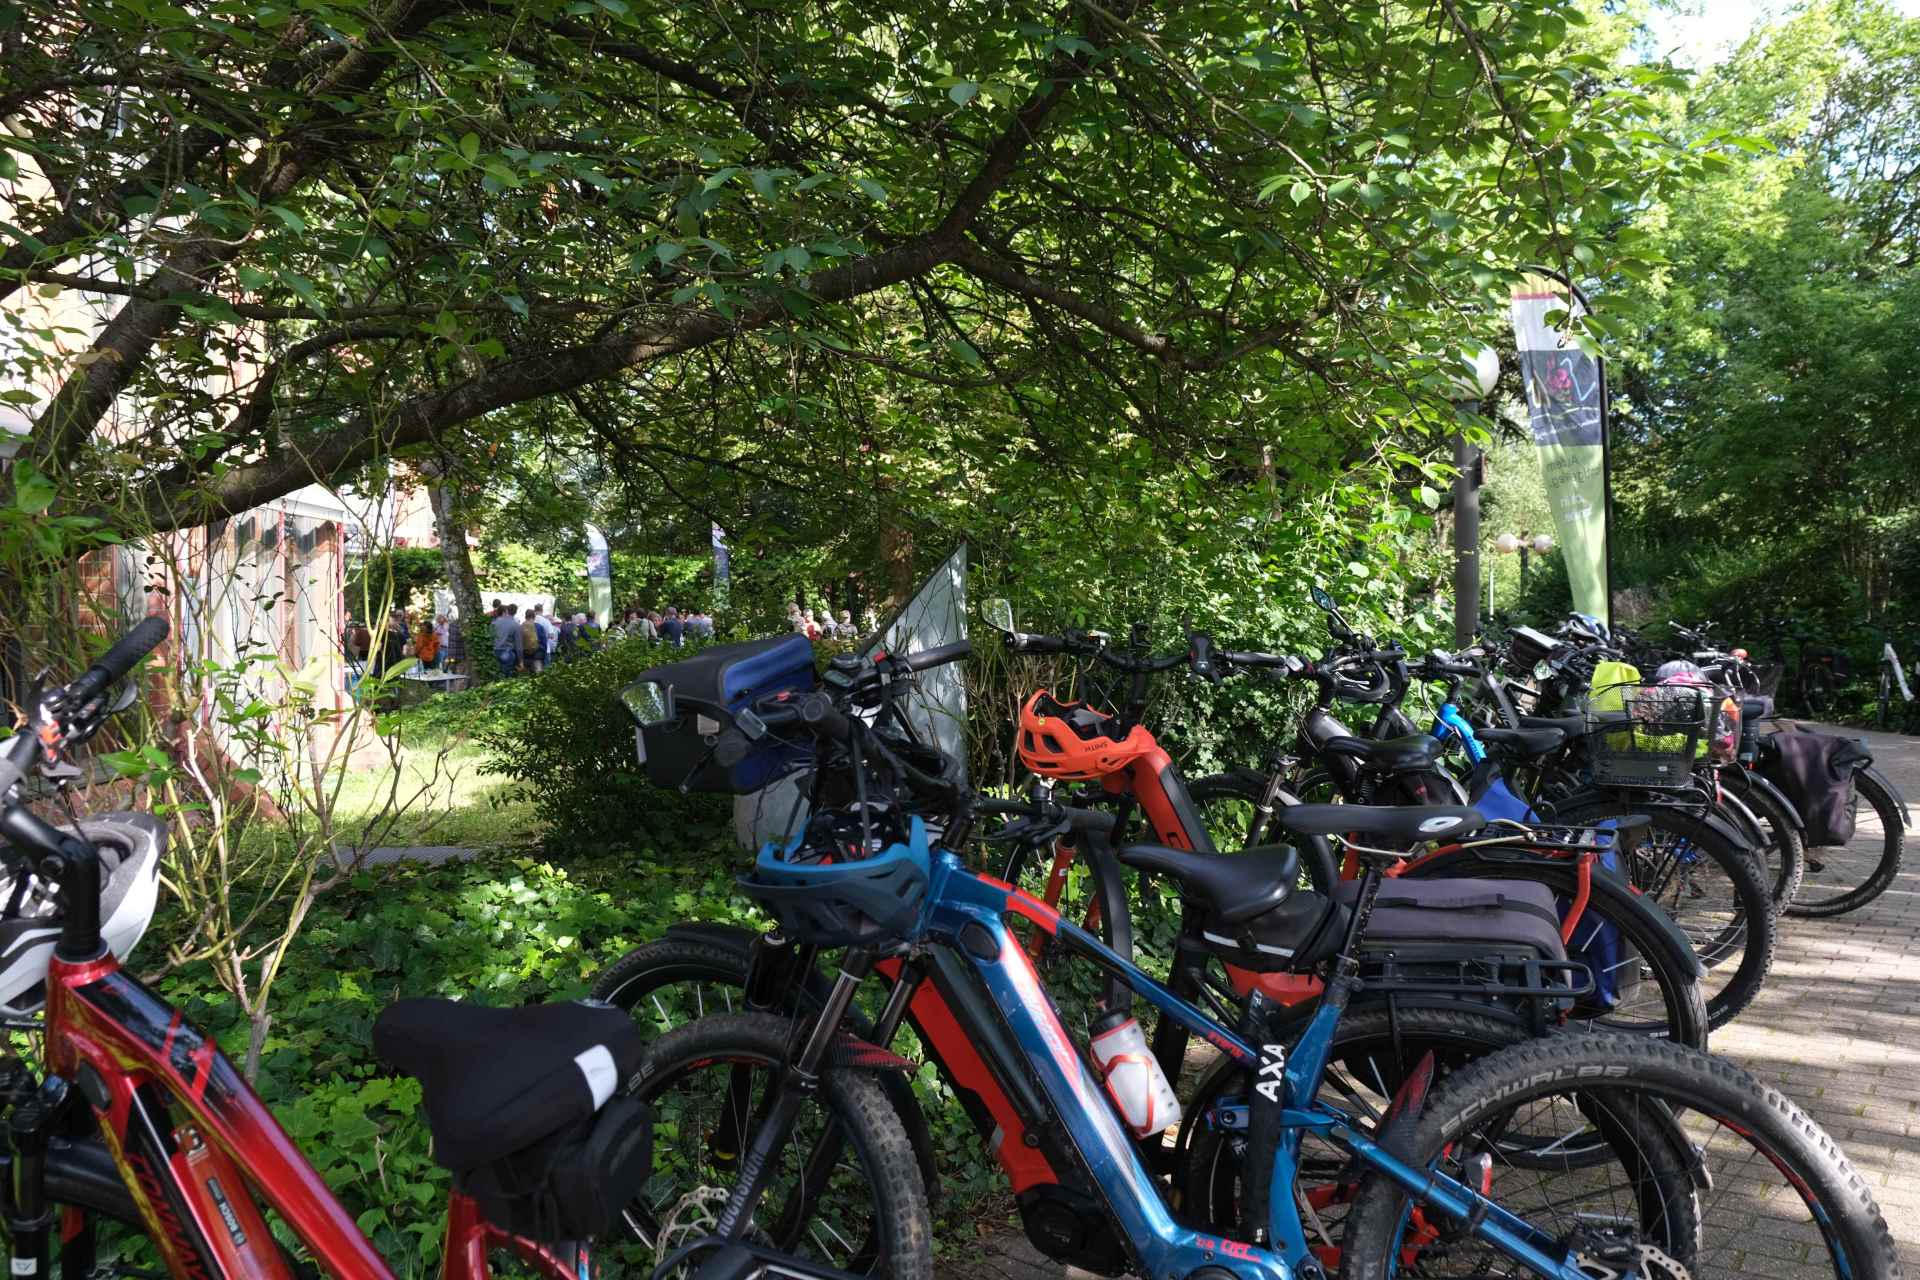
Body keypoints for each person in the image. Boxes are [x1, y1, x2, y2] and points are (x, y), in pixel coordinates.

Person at [490, 604, 522, 677]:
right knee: (506, 677)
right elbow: (519, 645)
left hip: (493, 652)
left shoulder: (493, 623)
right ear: (505, 612)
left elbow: (490, 638)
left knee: (496, 676)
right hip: (506, 652)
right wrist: (520, 660)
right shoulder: (515, 624)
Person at [520, 608, 544, 675]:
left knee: (526, 676)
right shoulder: (539, 627)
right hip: (537, 654)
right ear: (534, 616)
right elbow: (544, 642)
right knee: (538, 675)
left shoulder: (521, 626)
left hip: (525, 654)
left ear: (525, 616)